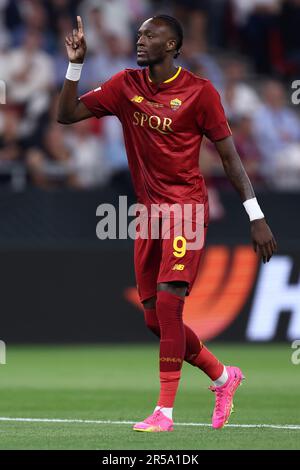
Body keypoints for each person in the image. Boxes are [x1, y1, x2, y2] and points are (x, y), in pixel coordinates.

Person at [57, 14, 277, 432]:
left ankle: (165, 412)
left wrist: (256, 216)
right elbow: (66, 114)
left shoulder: (201, 93)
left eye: (149, 36)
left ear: (172, 45)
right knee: (156, 321)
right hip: (148, 215)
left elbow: (230, 159)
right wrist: (75, 64)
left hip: (186, 210)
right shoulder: (125, 85)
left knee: (171, 304)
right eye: (138, 34)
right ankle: (223, 376)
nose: (139, 41)